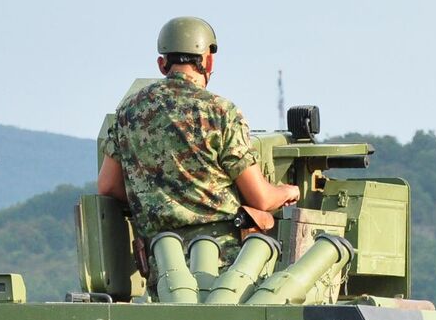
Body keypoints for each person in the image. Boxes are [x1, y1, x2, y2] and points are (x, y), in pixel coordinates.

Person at [97, 16, 299, 272]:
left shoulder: (128, 111)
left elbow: (108, 184)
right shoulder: (220, 111)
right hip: (223, 264)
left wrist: (159, 198)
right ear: (209, 60)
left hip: (163, 263)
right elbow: (260, 198)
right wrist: (289, 192)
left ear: (162, 64)